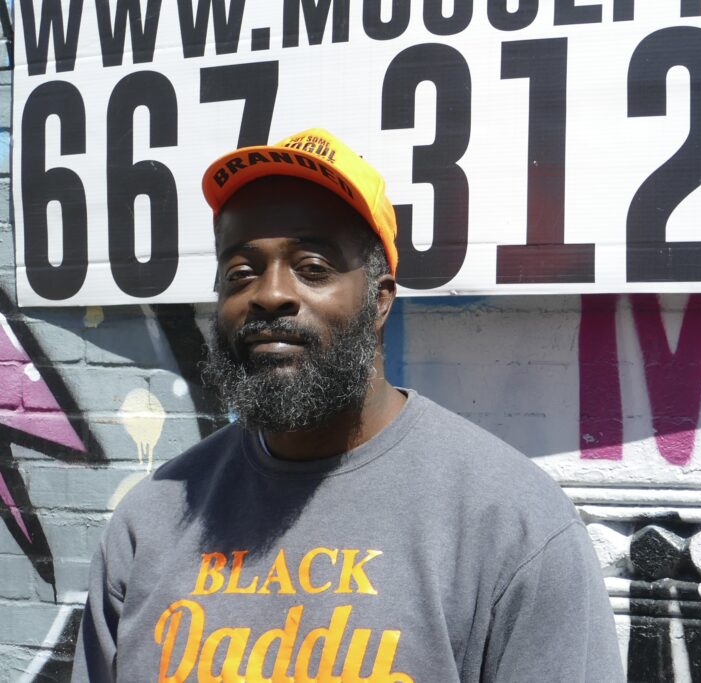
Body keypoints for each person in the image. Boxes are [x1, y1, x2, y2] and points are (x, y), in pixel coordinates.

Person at [72, 128, 624, 682]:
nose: (269, 295)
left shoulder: (512, 526)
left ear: (380, 301)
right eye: (241, 273)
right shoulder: (149, 523)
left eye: (313, 268)